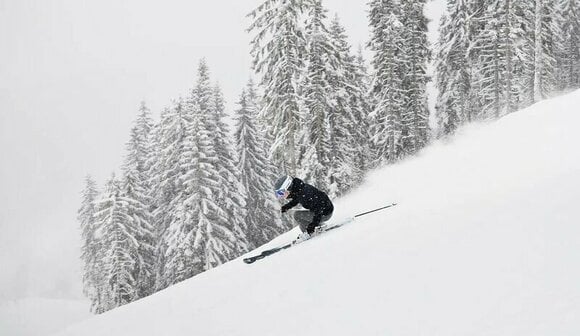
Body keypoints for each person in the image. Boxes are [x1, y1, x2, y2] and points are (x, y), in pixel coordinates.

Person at [274, 175, 334, 241]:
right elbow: (296, 199)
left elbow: (319, 208)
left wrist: (312, 225)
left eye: (282, 193)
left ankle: (309, 233)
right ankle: (318, 227)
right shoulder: (298, 189)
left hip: (325, 213)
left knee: (297, 215)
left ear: (288, 187)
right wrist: (286, 207)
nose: (282, 196)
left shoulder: (305, 193)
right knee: (298, 215)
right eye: (279, 194)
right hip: (324, 210)